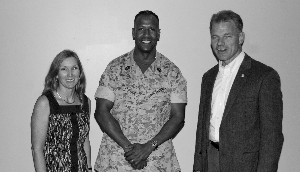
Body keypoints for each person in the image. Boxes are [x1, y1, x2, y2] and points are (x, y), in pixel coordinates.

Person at [94, 10, 187, 171]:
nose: (146, 34)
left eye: (151, 29)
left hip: (157, 161)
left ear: (158, 34)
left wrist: (148, 148)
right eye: (141, 29)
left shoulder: (172, 72)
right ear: (133, 33)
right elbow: (101, 112)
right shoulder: (114, 68)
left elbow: (178, 117)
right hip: (117, 160)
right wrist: (130, 149)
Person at [193, 10, 284, 172]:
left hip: (245, 165)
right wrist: (199, 166)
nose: (220, 43)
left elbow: (272, 137)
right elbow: (202, 128)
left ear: (241, 38)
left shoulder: (264, 76)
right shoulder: (208, 77)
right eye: (215, 37)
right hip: (211, 160)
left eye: (227, 36)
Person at [31, 50, 92, 172]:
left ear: (80, 73)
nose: (70, 74)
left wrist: (89, 168)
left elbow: (84, 140)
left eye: (74, 68)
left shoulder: (85, 102)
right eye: (64, 69)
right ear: (56, 74)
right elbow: (37, 149)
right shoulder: (45, 103)